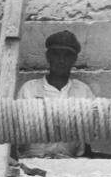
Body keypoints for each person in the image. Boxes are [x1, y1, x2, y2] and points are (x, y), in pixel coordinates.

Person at [15, 30, 95, 158]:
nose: (61, 60)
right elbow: (14, 129)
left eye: (67, 56)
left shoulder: (83, 92)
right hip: (31, 161)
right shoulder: (29, 90)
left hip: (70, 162)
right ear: (48, 57)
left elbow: (91, 132)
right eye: (56, 55)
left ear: (74, 60)